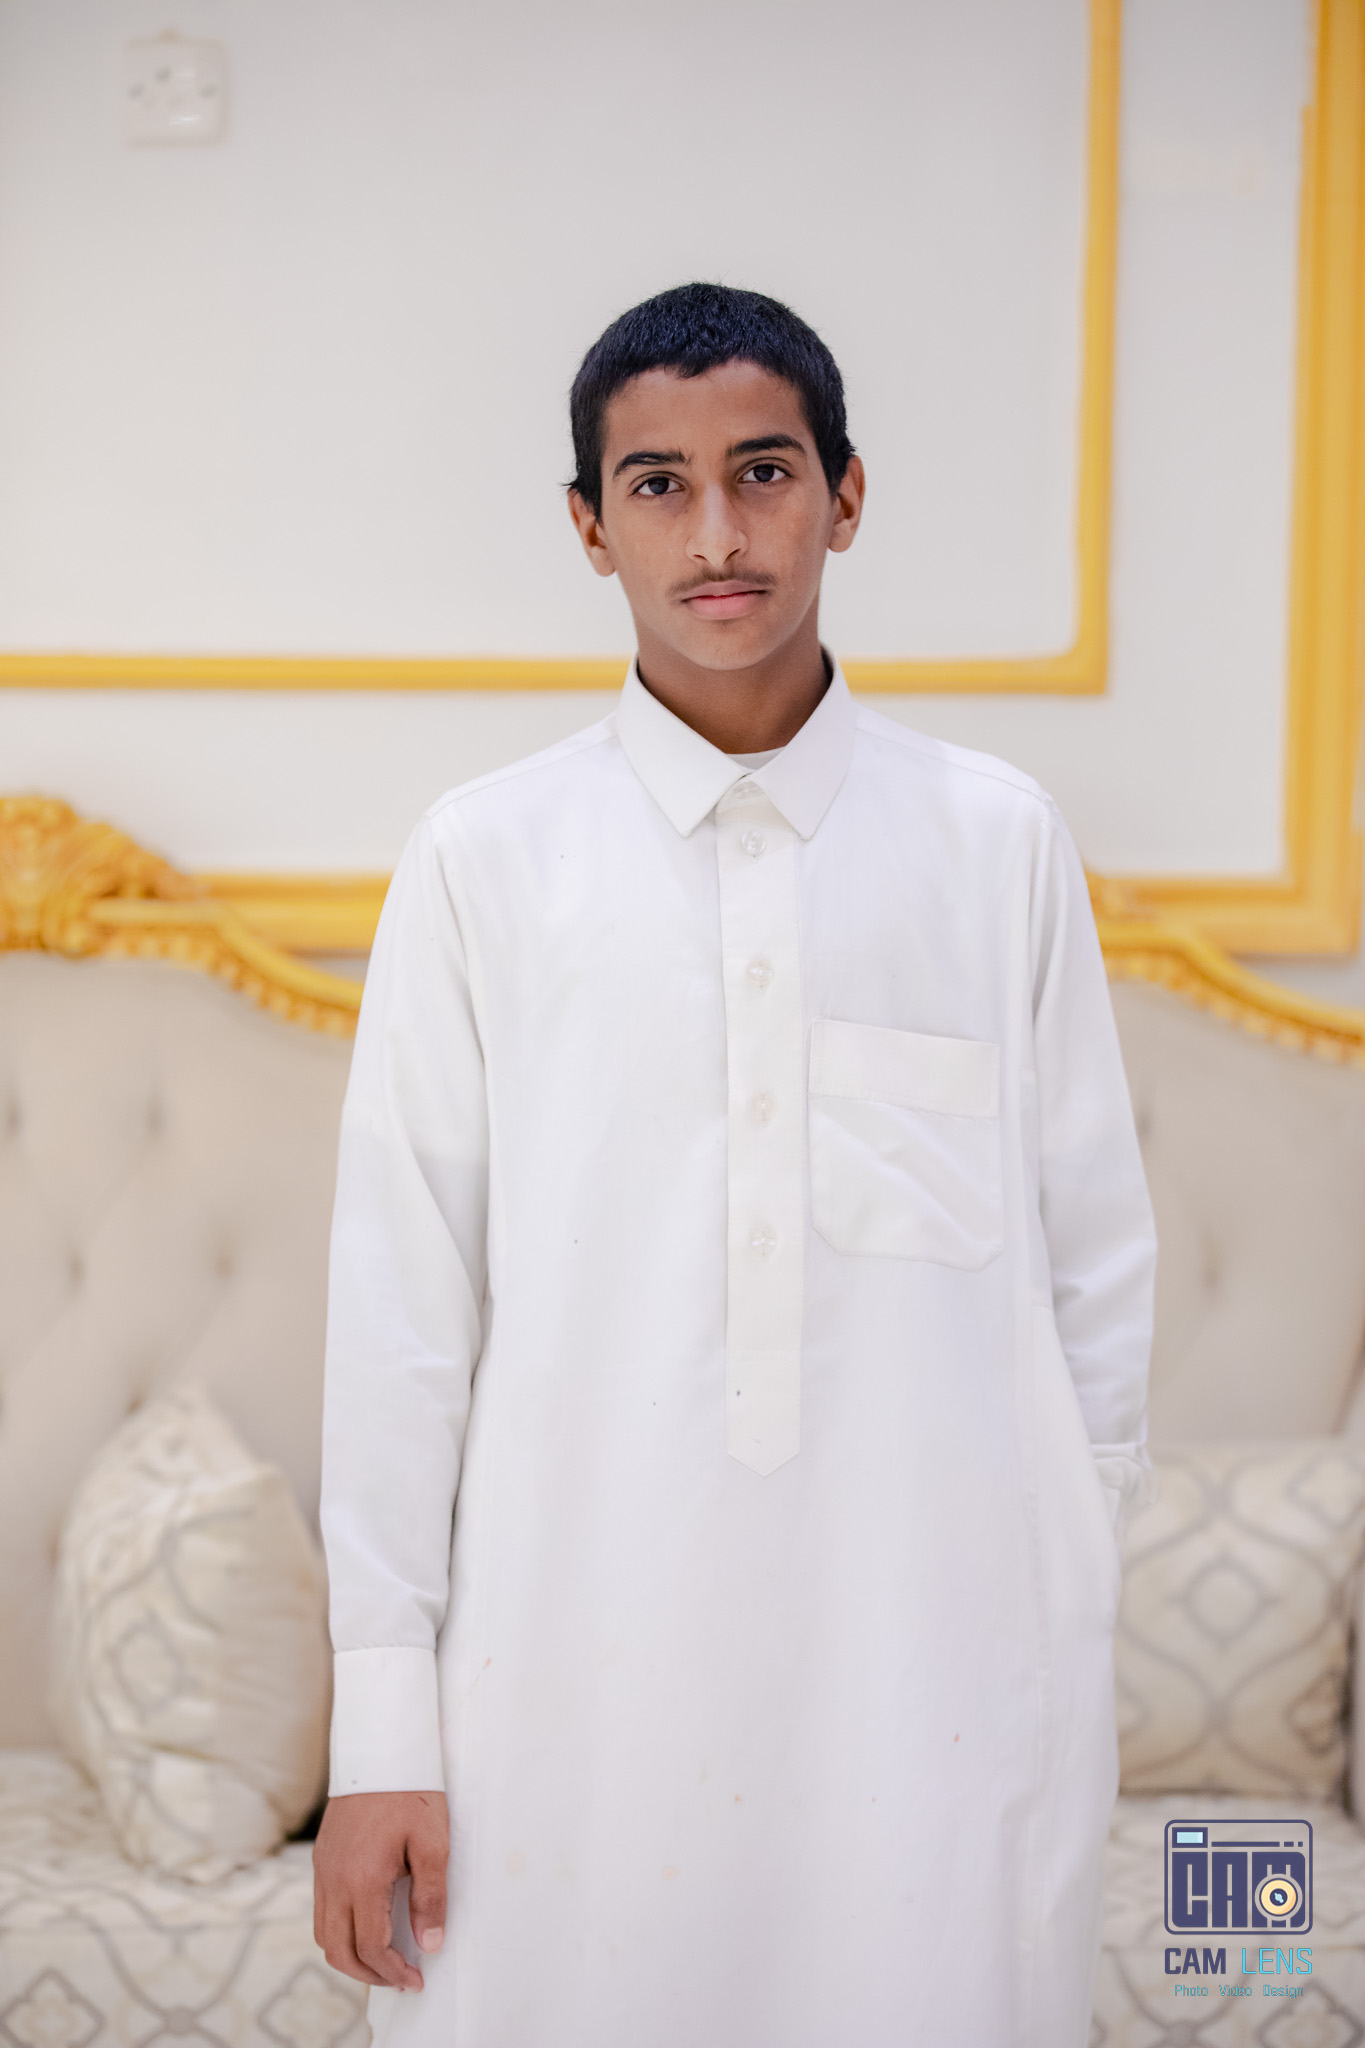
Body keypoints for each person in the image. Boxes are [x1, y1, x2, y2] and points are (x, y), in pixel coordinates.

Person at [312, 281, 1156, 2048]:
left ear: (844, 496)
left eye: (762, 472)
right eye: (657, 485)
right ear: (588, 526)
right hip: (561, 1688)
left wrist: (1065, 1600)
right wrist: (382, 1729)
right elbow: (401, 1319)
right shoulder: (484, 863)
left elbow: (1095, 1266)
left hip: (933, 1685)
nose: (714, 533)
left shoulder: (992, 843)